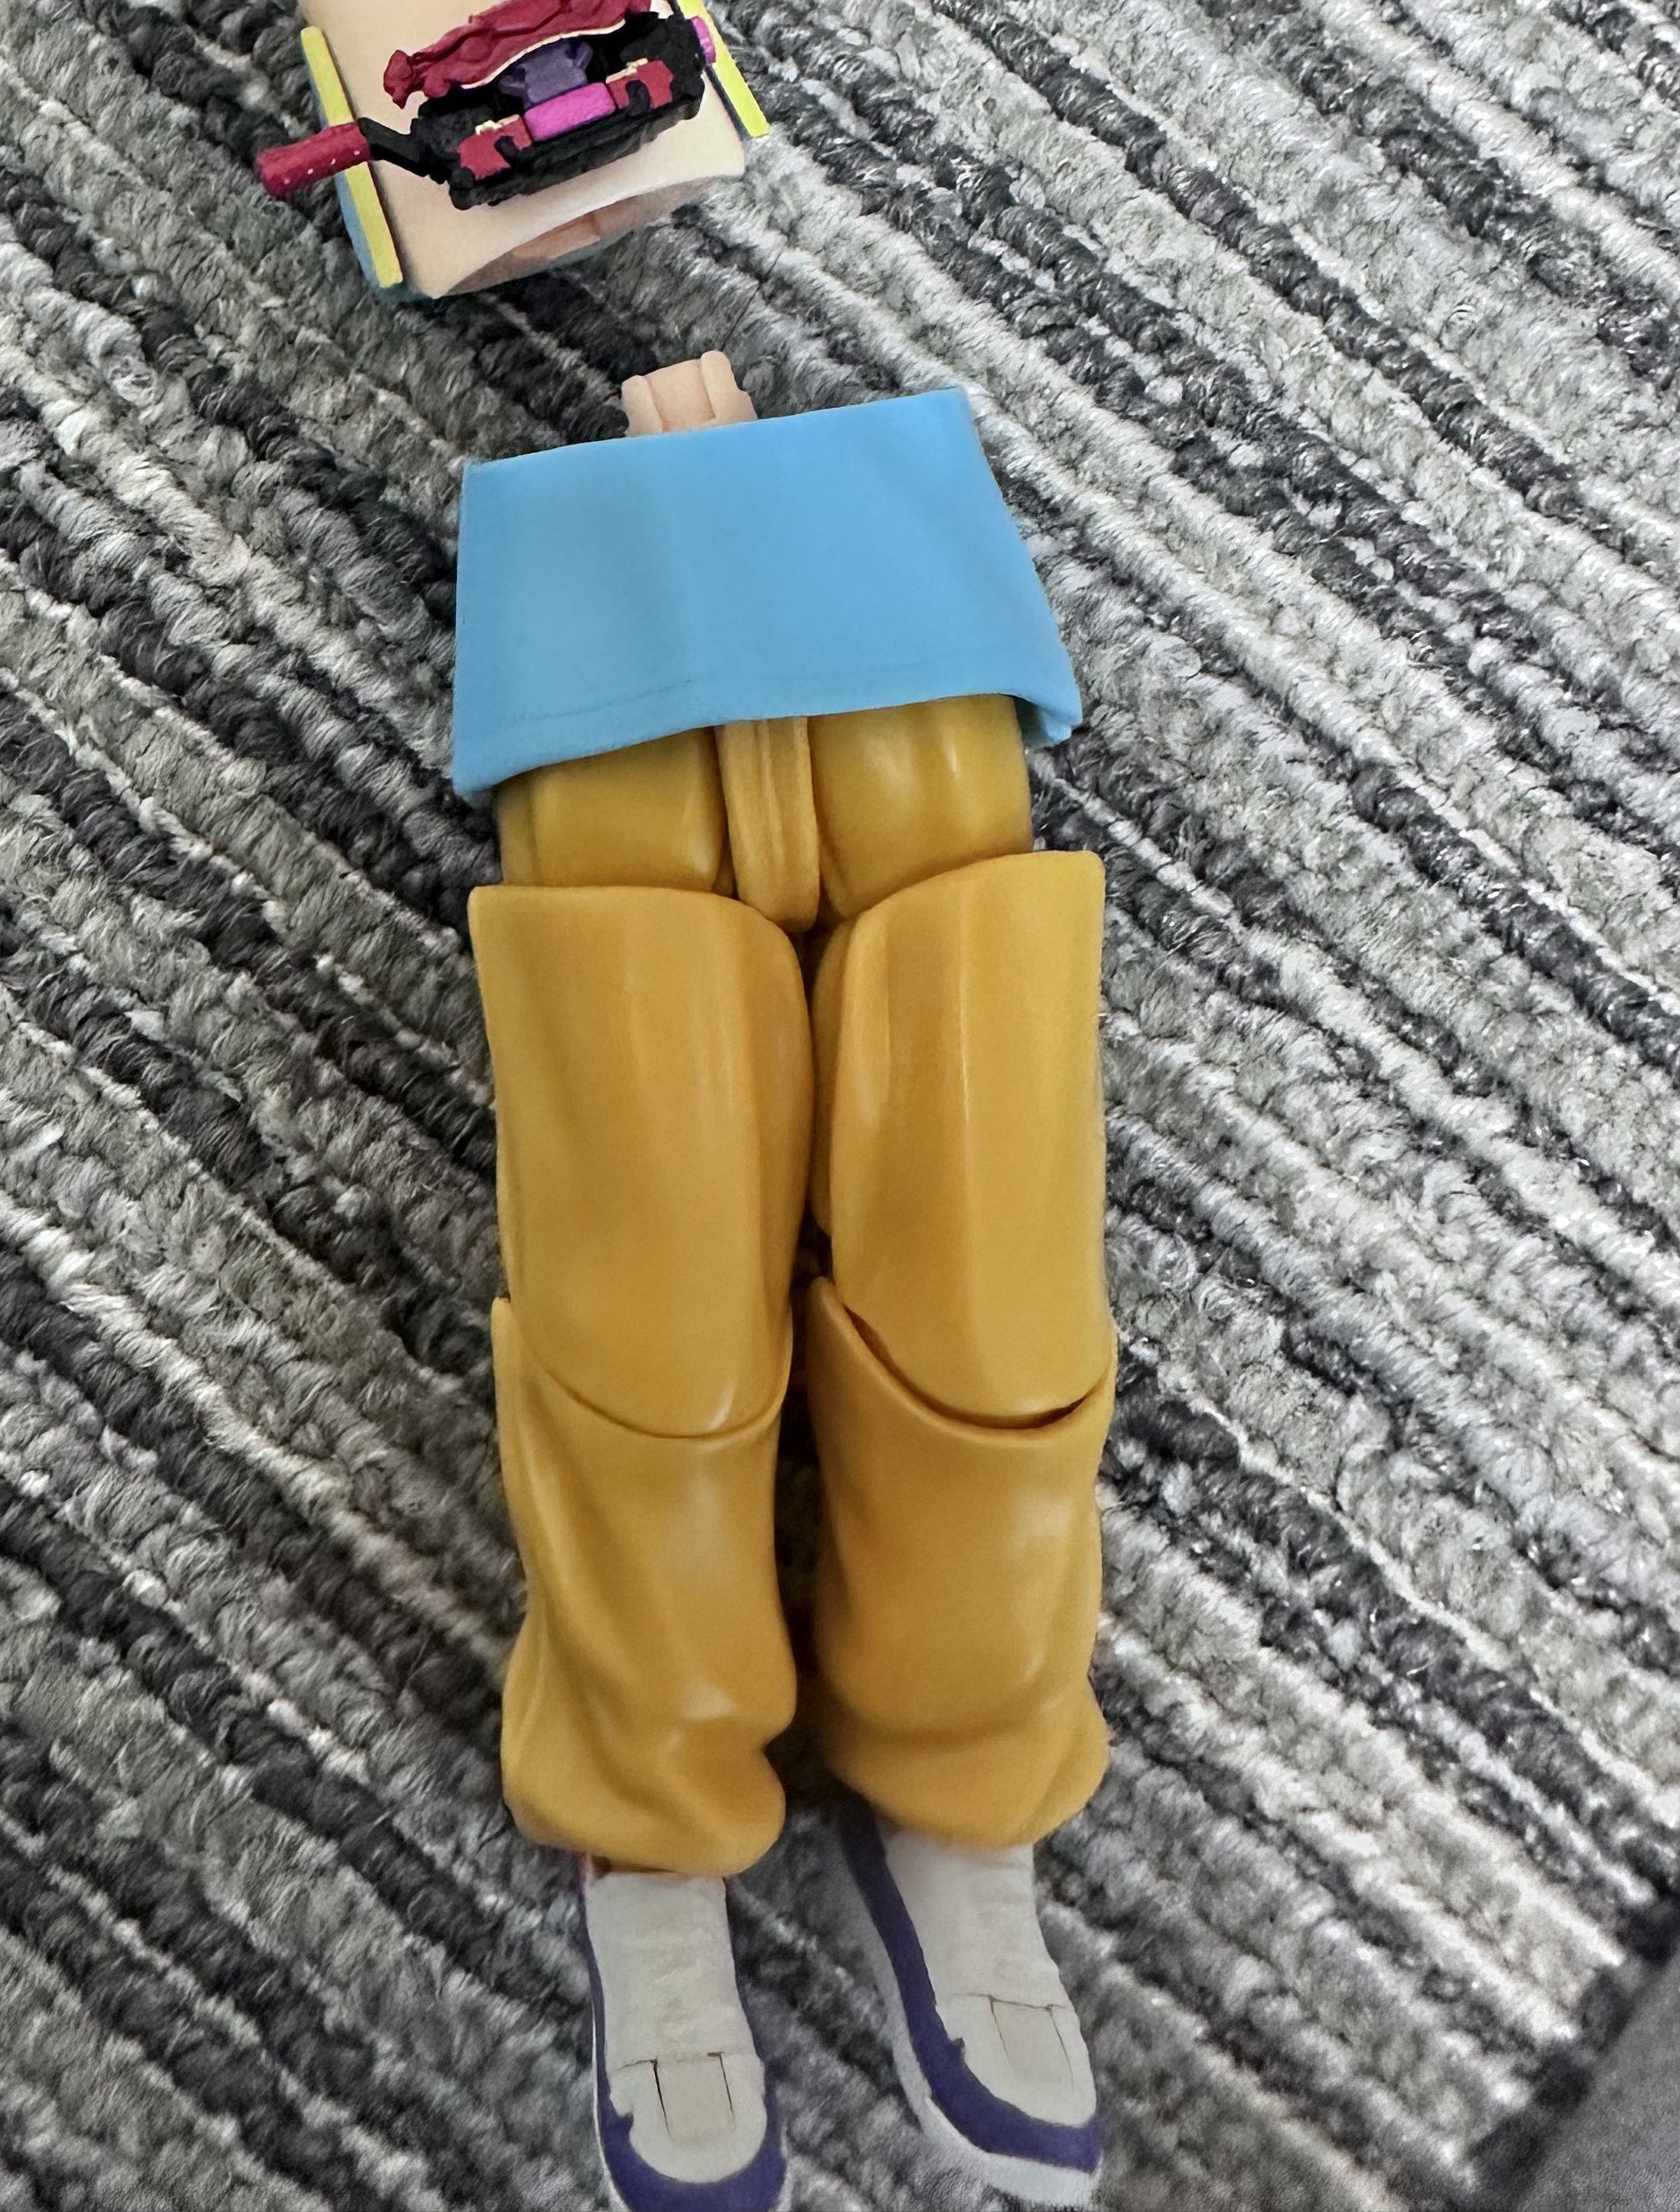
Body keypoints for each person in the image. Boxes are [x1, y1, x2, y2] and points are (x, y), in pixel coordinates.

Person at [455, 350, 1113, 2209]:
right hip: (635, 639)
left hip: (891, 619)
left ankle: (961, 1773)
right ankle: (649, 1809)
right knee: (646, 1287)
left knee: (992, 1275)